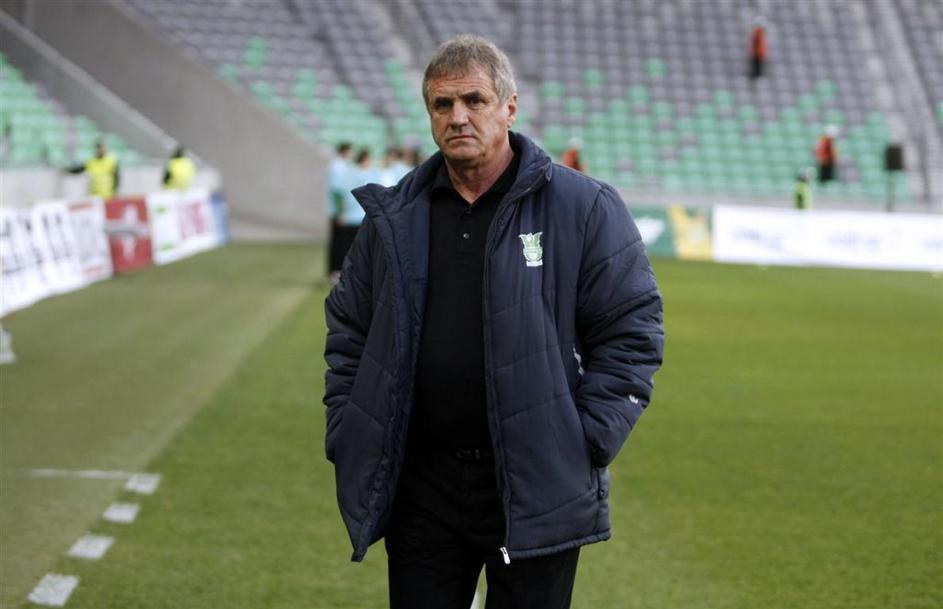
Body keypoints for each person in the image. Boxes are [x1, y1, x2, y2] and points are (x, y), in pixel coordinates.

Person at [323, 35, 664, 609]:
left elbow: (632, 329)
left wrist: (584, 438)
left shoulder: (583, 207)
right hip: (421, 488)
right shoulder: (394, 217)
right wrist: (347, 424)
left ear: (509, 107)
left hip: (536, 481)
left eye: (474, 100)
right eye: (442, 104)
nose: (458, 116)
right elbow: (349, 330)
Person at [328, 148, 368, 284]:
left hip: (349, 216)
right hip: (355, 217)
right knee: (349, 246)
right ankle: (344, 272)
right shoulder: (348, 170)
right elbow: (338, 191)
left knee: (344, 246)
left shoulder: (349, 171)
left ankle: (340, 272)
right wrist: (339, 212)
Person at [327, 142, 354, 284]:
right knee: (338, 242)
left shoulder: (341, 165)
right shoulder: (337, 166)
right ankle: (334, 271)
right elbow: (337, 190)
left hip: (339, 211)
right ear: (345, 151)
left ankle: (335, 270)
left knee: (339, 241)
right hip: (338, 212)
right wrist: (340, 211)